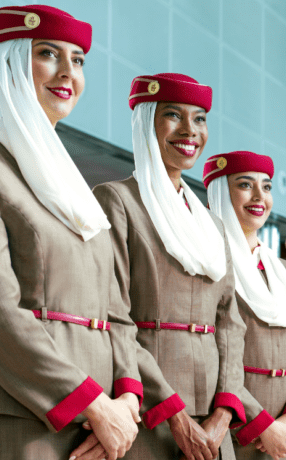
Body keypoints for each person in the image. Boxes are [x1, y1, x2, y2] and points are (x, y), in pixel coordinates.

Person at [0, 5, 142, 460]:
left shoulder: (78, 194)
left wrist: (126, 400)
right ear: (9, 62)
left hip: (102, 425)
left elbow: (118, 315)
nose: (68, 71)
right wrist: (91, 402)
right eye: (48, 53)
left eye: (79, 60)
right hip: (16, 418)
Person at [93, 73, 247, 460]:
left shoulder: (211, 223)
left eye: (199, 119)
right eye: (173, 116)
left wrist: (224, 412)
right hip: (149, 410)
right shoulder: (118, 201)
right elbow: (114, 315)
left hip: (213, 418)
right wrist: (174, 414)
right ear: (146, 122)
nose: (190, 130)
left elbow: (230, 323)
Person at [203, 151, 286, 460]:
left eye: (267, 187)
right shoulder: (206, 264)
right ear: (219, 192)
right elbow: (209, 356)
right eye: (245, 185)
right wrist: (262, 426)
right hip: (230, 426)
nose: (259, 196)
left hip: (285, 437)